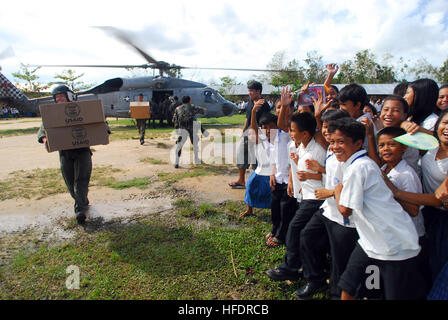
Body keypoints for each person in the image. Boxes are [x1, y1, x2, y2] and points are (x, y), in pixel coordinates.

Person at [329, 117, 425, 300]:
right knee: (349, 284)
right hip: (371, 240)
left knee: (392, 294)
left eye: (341, 142)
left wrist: (337, 190)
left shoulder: (359, 168)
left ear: (358, 143)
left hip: (393, 244)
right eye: (333, 142)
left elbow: (345, 210)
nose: (335, 147)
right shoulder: (357, 164)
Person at [296, 109, 354, 300]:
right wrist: (320, 170)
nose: (325, 132)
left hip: (344, 214)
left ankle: (337, 294)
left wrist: (329, 192)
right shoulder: (330, 148)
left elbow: (351, 183)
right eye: (325, 128)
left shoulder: (352, 154)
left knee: (339, 258)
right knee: (307, 237)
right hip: (328, 208)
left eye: (330, 128)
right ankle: (315, 280)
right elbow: (332, 175)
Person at [266, 112, 326, 282]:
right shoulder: (302, 146)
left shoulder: (318, 151)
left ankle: (290, 268)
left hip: (316, 198)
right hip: (305, 195)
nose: (290, 134)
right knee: (306, 234)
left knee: (294, 229)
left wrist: (312, 176)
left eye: (293, 130)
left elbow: (330, 177)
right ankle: (303, 267)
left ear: (305, 133)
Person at [37, 85, 92, 224]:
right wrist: (45, 139)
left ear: (69, 96)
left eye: (61, 96)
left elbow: (97, 121)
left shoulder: (81, 110)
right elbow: (43, 130)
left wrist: (104, 131)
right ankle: (82, 201)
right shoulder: (51, 114)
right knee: (69, 181)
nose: (59, 99)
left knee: (81, 180)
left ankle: (79, 210)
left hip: (82, 151)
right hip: (65, 153)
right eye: (56, 97)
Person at [229, 80, 271, 189]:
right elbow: (248, 118)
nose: (249, 93)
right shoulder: (251, 101)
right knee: (241, 155)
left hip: (258, 135)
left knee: (257, 160)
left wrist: (261, 138)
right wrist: (243, 131)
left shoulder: (264, 105)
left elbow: (265, 122)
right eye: (249, 90)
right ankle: (241, 180)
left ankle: (257, 183)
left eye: (251, 91)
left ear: (258, 91)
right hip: (247, 133)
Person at [266, 99, 296, 248]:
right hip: (277, 176)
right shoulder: (274, 132)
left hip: (290, 177)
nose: (281, 110)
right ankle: (274, 229)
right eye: (278, 107)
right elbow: (273, 154)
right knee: (275, 206)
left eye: (284, 107)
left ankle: (281, 235)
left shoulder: (292, 129)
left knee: (286, 209)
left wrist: (291, 177)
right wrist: (272, 172)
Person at [240, 105, 276, 219]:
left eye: (271, 127)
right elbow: (254, 128)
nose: (268, 130)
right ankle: (249, 209)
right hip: (259, 171)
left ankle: (274, 213)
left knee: (273, 196)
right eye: (265, 127)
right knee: (250, 188)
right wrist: (253, 111)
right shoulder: (260, 137)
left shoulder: (279, 137)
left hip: (273, 173)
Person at [172, 95, 205, 168]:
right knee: (195, 143)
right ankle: (196, 159)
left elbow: (174, 120)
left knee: (179, 145)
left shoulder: (177, 109)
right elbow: (203, 110)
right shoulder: (192, 107)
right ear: (190, 100)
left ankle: (176, 162)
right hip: (191, 128)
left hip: (182, 129)